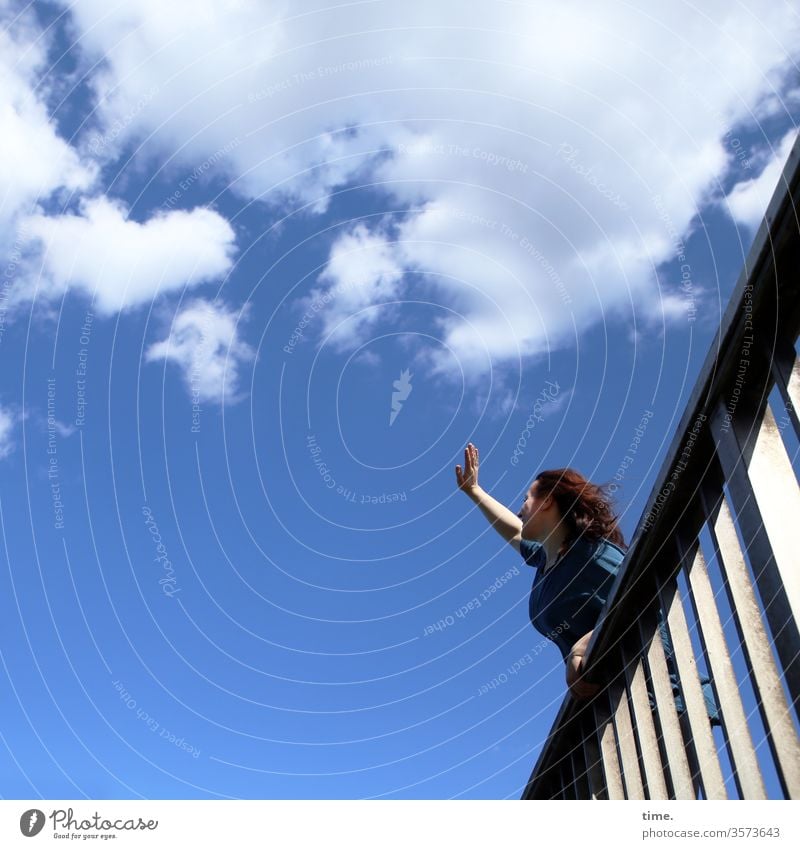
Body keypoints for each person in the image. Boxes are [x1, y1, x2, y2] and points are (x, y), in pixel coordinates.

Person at [455, 443, 721, 720]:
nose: (520, 511)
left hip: (669, 701)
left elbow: (645, 595)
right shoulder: (548, 562)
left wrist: (587, 643)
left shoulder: (592, 553)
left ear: (547, 502)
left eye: (526, 500)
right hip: (618, 713)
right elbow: (513, 532)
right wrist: (474, 491)